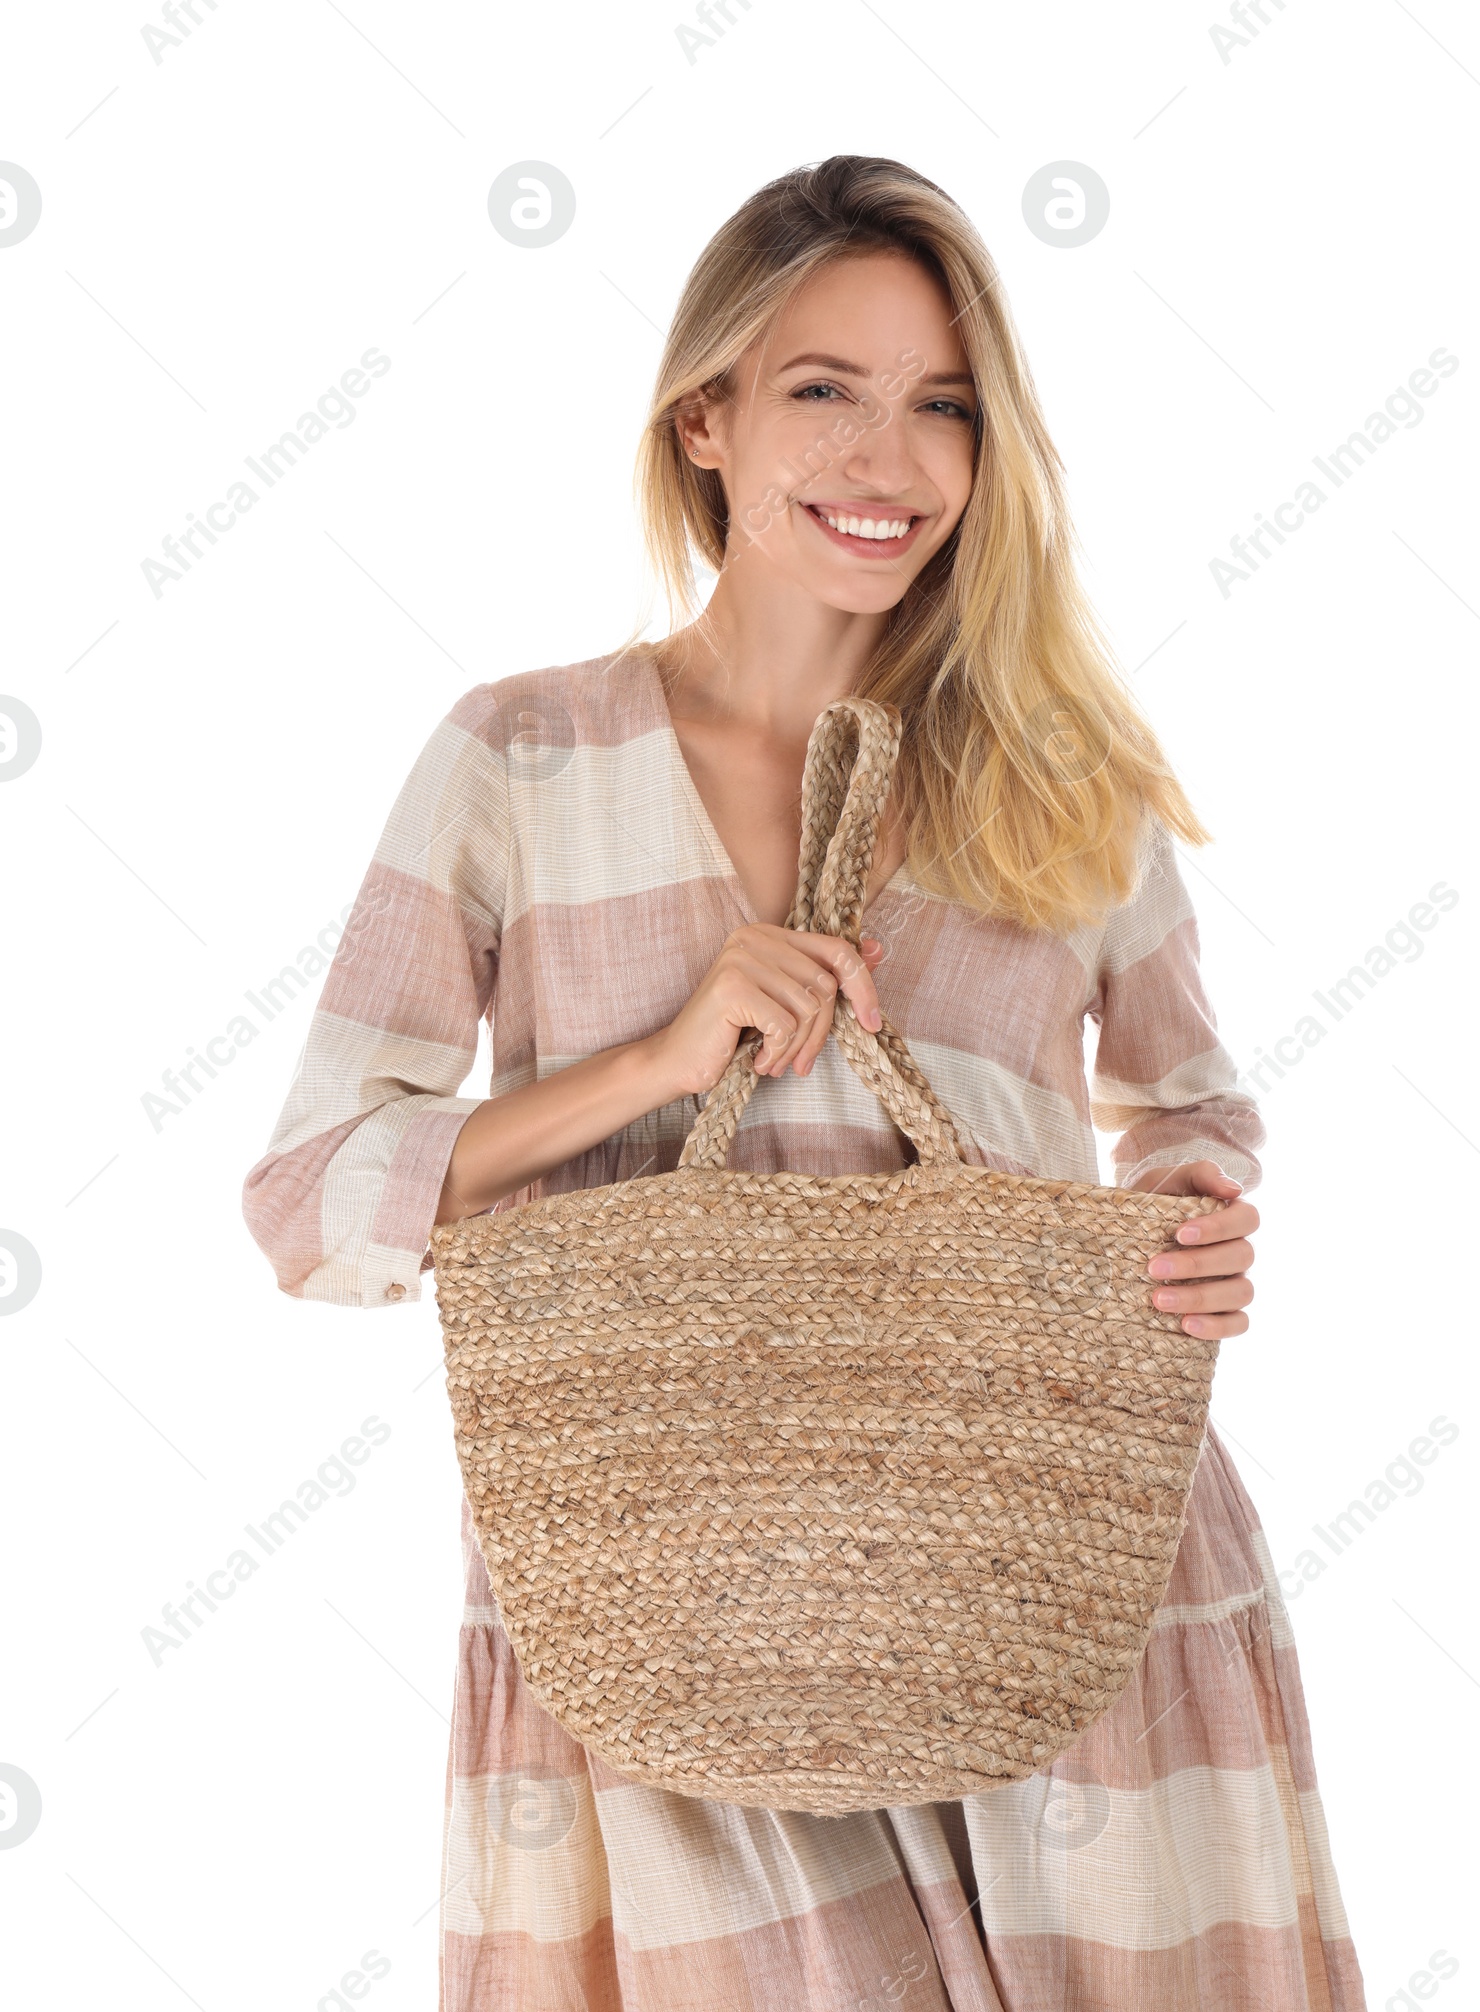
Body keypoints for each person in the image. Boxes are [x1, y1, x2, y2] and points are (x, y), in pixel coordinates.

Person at [243, 154, 1365, 2012]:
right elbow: (310, 1206)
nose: (888, 461)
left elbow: (1188, 1104)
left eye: (943, 406)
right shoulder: (517, 758)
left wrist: (1188, 1210)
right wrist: (657, 1059)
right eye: (822, 390)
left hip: (1060, 1579)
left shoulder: (1062, 774)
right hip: (667, 1602)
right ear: (706, 417)